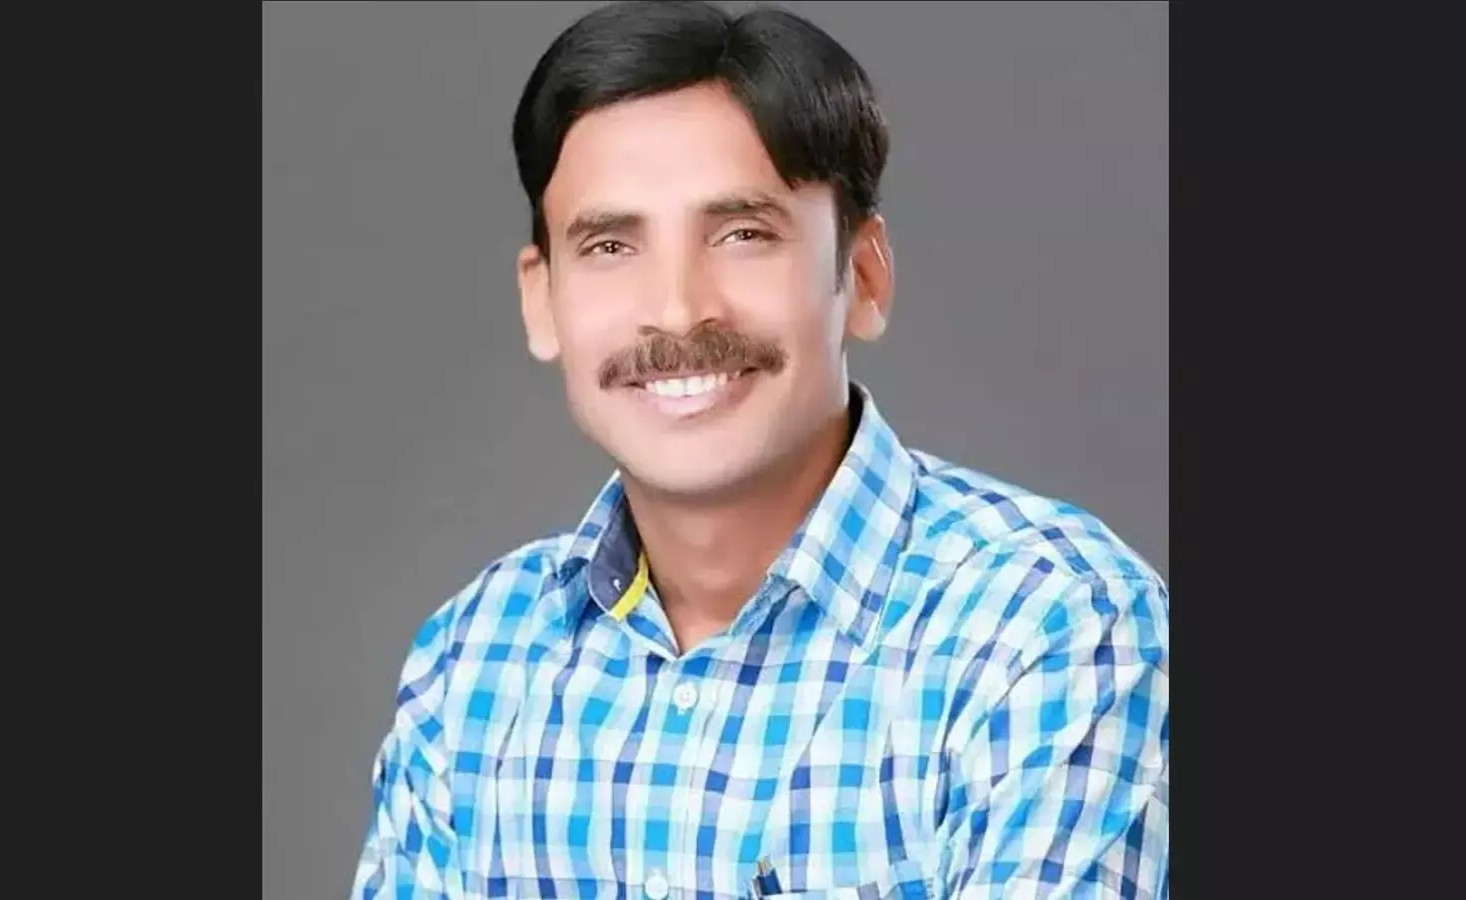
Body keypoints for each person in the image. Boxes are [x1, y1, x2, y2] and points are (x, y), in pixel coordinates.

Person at [350, 2, 1168, 898]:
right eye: (611, 245)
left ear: (863, 275)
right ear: (542, 301)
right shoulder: (473, 658)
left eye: (743, 235)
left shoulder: (1052, 626)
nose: (677, 309)